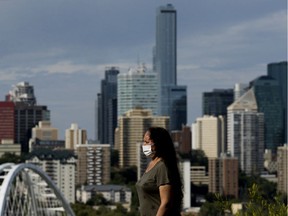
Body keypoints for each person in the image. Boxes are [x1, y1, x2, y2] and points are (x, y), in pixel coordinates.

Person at [136, 127, 183, 216]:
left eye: (147, 142)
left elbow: (166, 203)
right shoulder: (151, 164)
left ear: (157, 143)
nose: (144, 145)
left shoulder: (162, 166)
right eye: (144, 142)